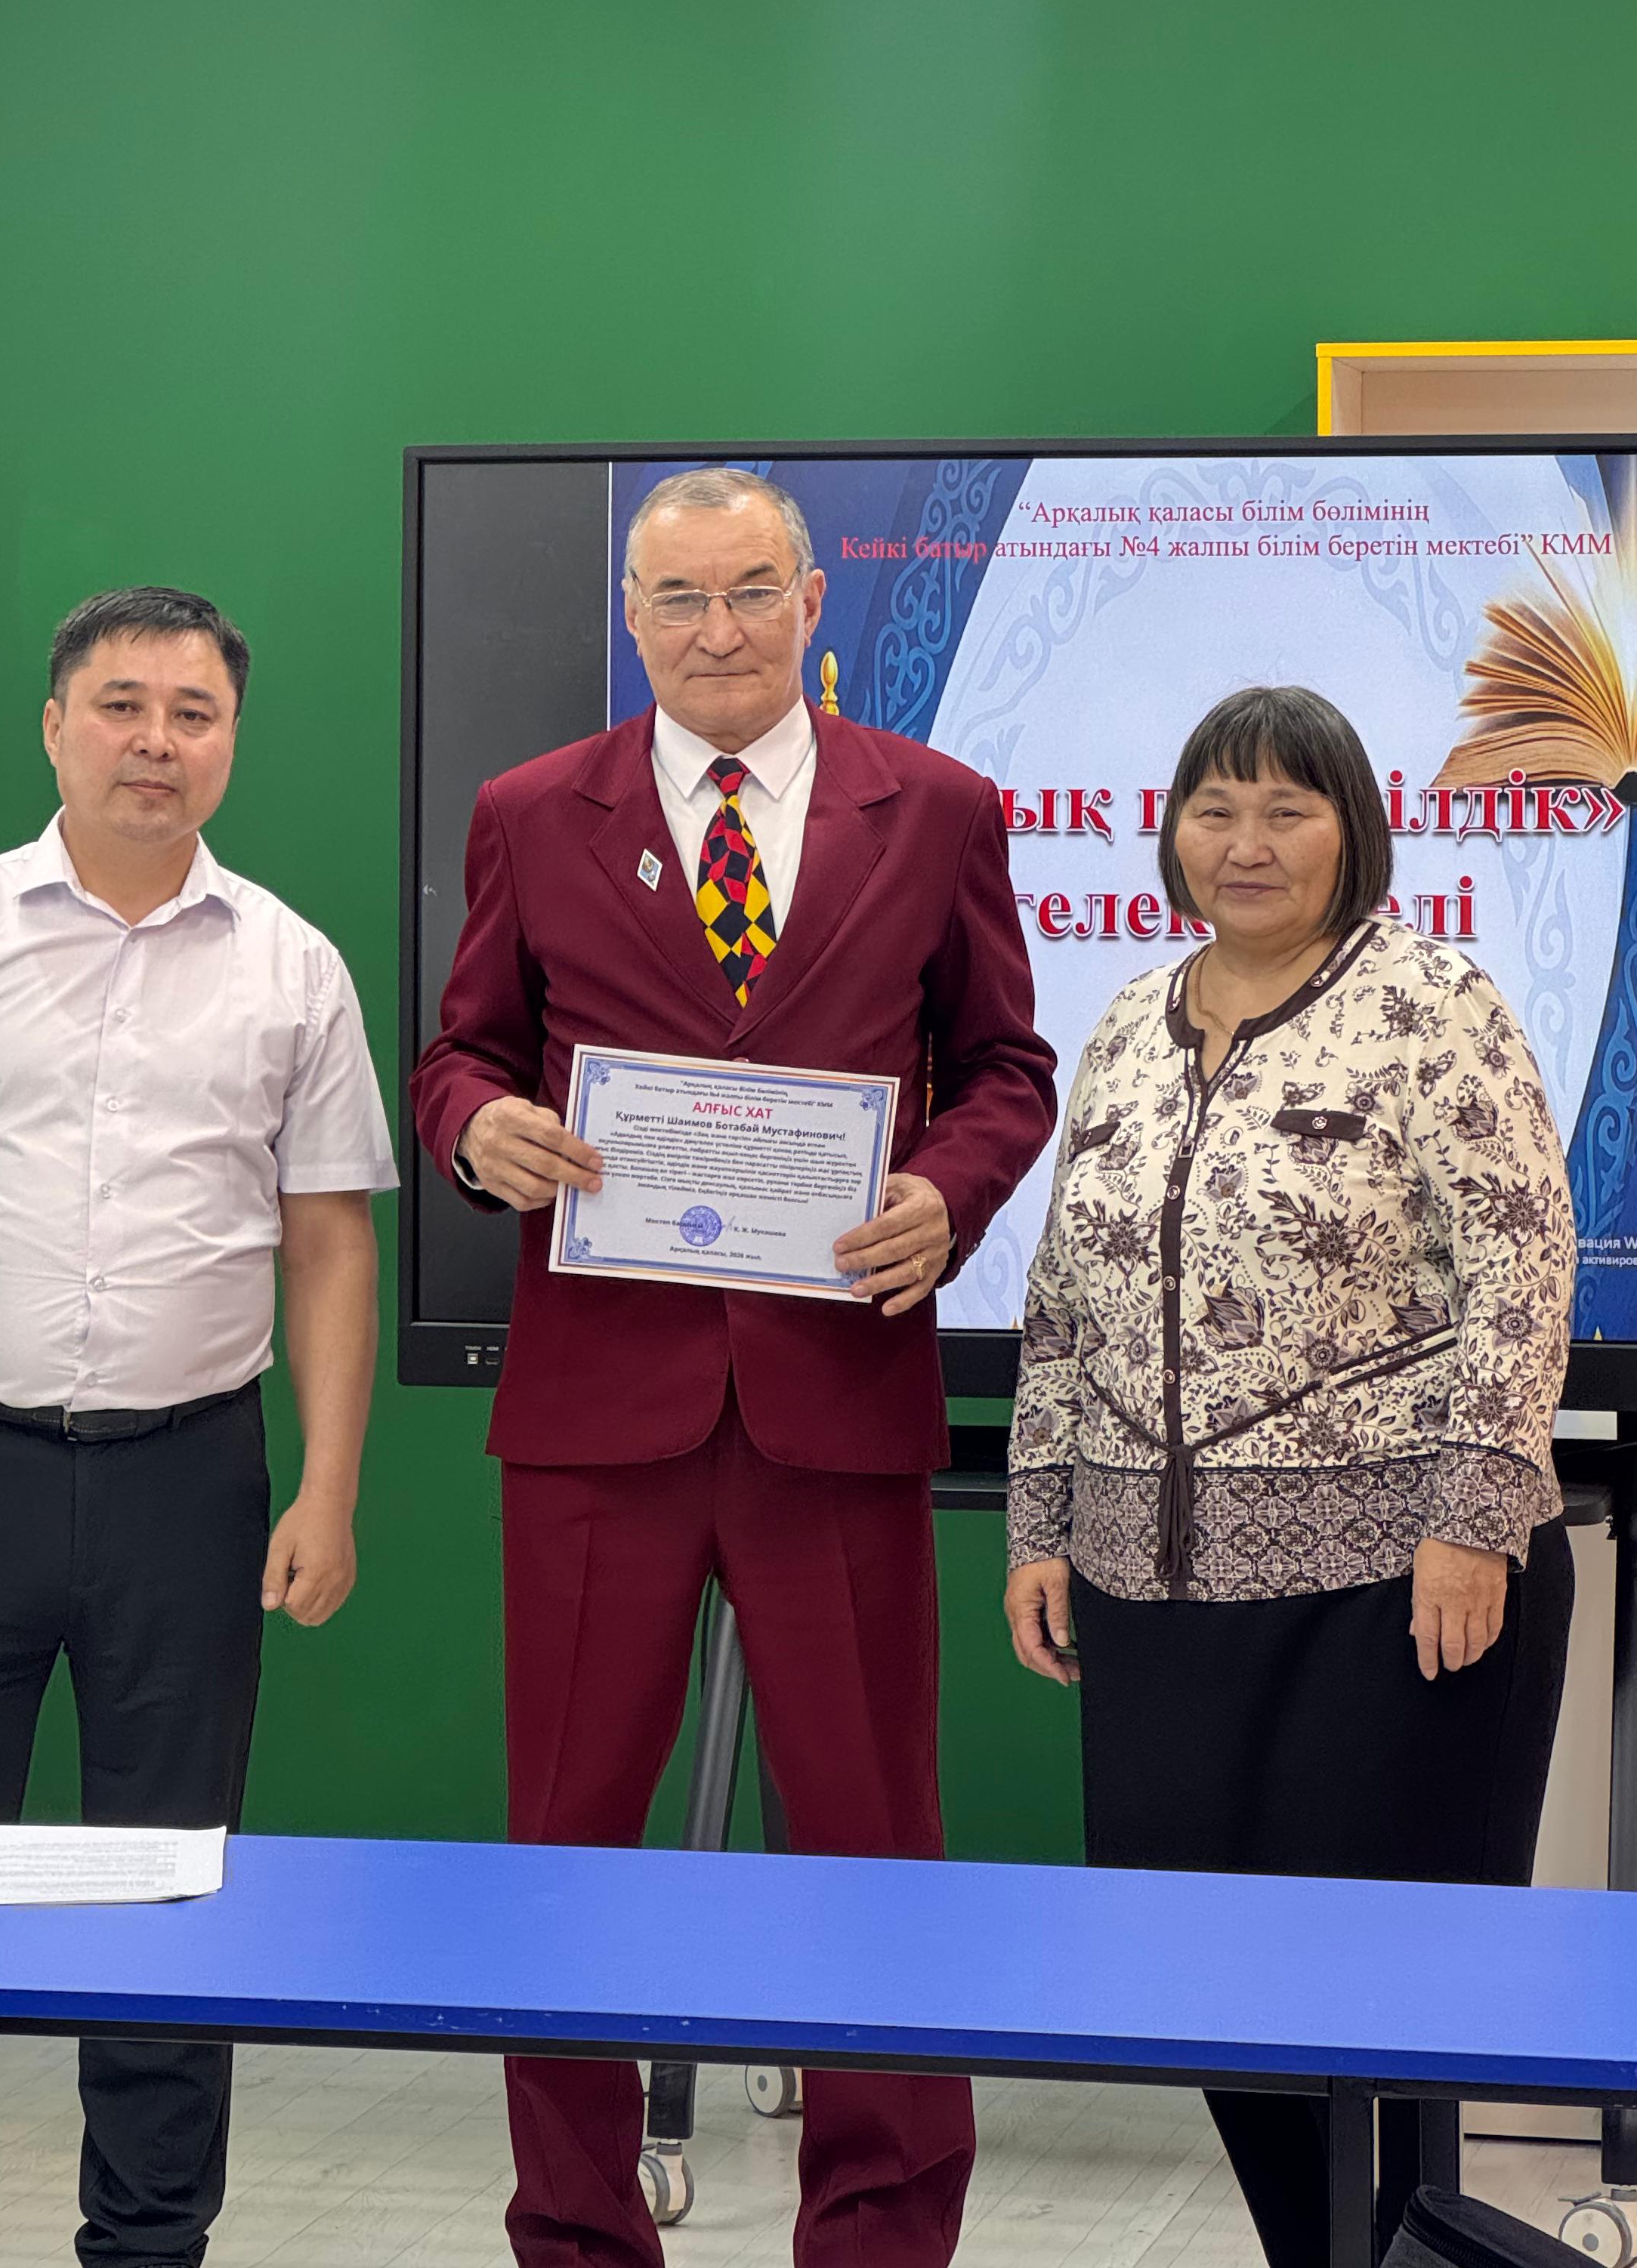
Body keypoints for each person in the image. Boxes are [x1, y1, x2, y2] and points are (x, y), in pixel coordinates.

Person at [413, 465, 1057, 2268]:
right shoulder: (531, 811)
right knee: (564, 1851)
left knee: (873, 1846)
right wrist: (478, 1132)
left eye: (750, 591)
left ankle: (879, 2231)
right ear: (632, 617)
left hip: (835, 1403)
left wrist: (946, 1193)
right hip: (597, 1415)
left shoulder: (938, 808)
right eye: (680, 599)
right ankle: (576, 2230)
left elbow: (1008, 1070)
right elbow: (460, 1054)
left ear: (812, 602)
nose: (717, 631)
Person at [0, 585, 396, 2268]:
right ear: (55, 727)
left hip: (189, 1484)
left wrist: (329, 1486)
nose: (156, 741)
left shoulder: (292, 965)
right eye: (121, 706)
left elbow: (331, 1242)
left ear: (231, 743)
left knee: (170, 1892)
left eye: (193, 713)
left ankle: (148, 2242)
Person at [1002, 683, 1577, 2268]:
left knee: (1382, 1995)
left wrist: (1474, 1519)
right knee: (1195, 1988)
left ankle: (1398, 2250)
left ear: (1353, 830)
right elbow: (1062, 1297)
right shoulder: (1128, 1020)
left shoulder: (1432, 1002)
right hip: (1152, 1598)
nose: (1245, 843)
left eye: (1287, 810)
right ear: (1172, 834)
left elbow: (1525, 1269)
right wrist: (1041, 1520)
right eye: (1215, 809)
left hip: (1394, 1592)